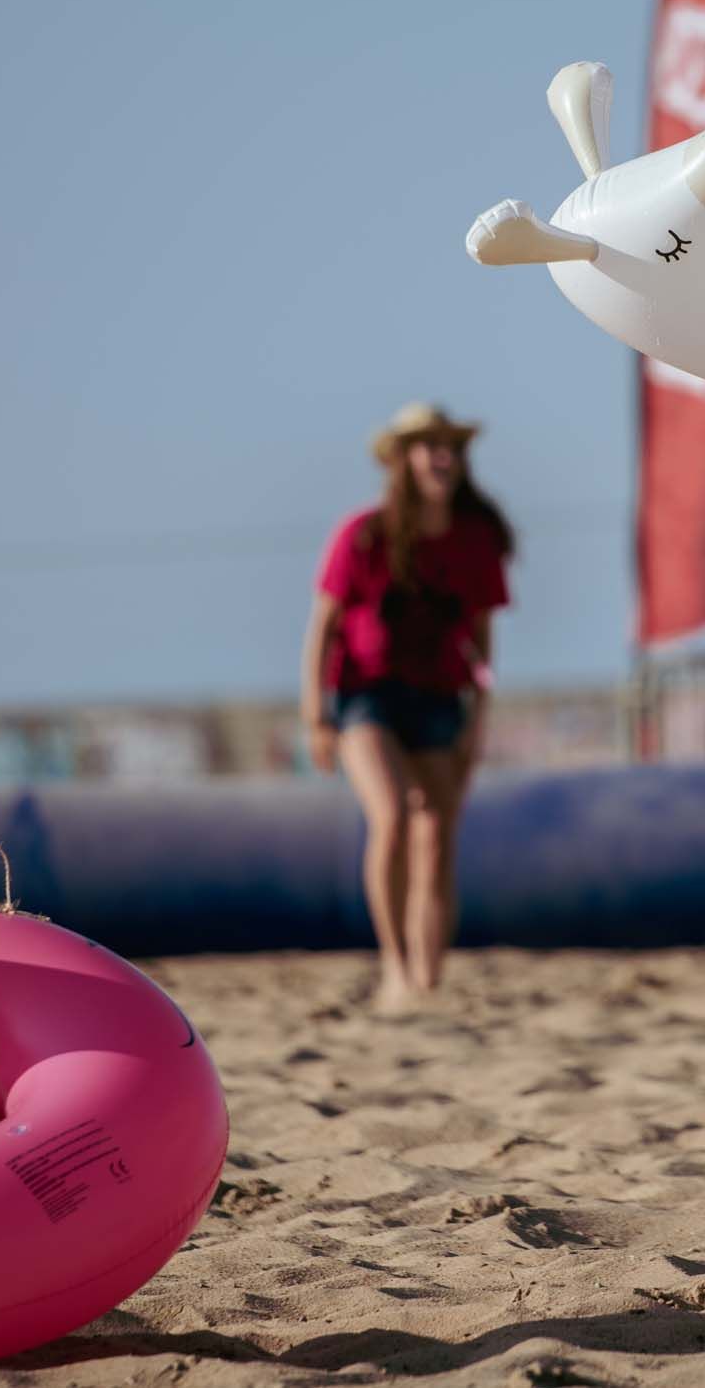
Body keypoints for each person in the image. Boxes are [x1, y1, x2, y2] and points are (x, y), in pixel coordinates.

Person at [302, 403, 513, 1008]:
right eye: (428, 446)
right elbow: (322, 628)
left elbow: (482, 639)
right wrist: (316, 715)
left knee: (437, 834)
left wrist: (478, 720)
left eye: (450, 446)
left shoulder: (475, 538)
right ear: (402, 460)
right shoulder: (362, 534)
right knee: (392, 816)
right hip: (366, 696)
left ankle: (428, 979)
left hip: (442, 696)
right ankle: (394, 968)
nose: (442, 457)